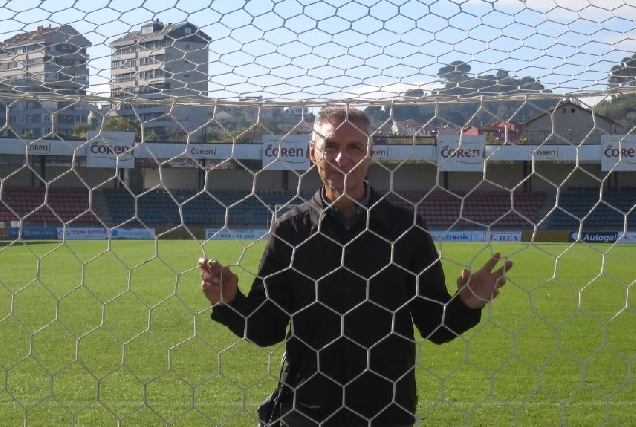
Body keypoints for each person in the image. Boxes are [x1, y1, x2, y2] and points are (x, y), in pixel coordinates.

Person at [200, 106, 513, 426]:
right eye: (330, 146)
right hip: (307, 411)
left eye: (354, 147)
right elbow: (267, 330)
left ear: (370, 154)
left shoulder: (405, 228)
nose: (341, 159)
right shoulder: (290, 230)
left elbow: (434, 326)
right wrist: (231, 302)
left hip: (386, 411)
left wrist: (466, 305)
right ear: (312, 152)